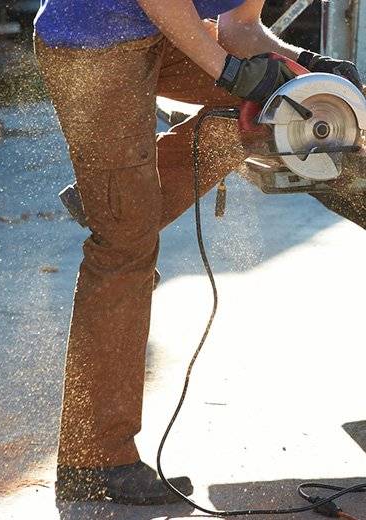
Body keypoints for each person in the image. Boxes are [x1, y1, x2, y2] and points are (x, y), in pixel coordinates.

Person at [32, 0, 361, 506]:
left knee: (272, 102)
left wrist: (305, 65)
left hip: (156, 38)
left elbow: (239, 26)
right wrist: (230, 72)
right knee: (125, 251)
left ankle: (118, 192)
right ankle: (93, 461)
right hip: (91, 49)